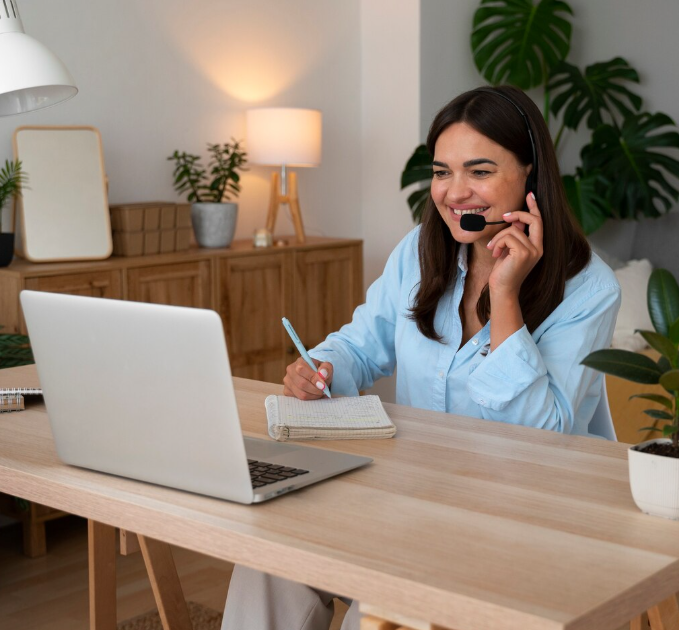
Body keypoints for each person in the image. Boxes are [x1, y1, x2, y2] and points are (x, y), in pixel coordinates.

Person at [220, 85, 622, 630]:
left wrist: (504, 296)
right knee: (270, 555)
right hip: (415, 497)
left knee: (380, 604)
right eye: (441, 172)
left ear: (530, 173)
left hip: (527, 514)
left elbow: (538, 438)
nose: (455, 193)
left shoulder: (588, 286)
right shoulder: (420, 251)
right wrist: (325, 365)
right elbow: (362, 341)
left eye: (479, 172)